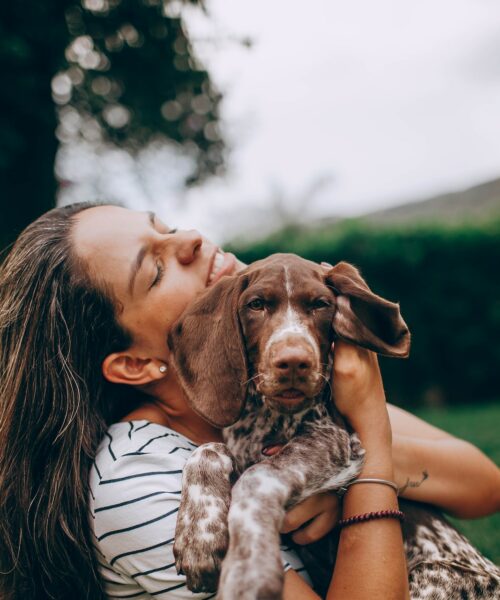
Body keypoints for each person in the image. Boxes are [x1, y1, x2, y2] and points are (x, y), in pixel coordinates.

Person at [0, 202, 498, 600]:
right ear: (134, 364)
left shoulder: (283, 395)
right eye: (155, 268)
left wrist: (346, 467)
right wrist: (367, 441)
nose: (191, 238)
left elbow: (483, 486)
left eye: (166, 226)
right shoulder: (137, 480)